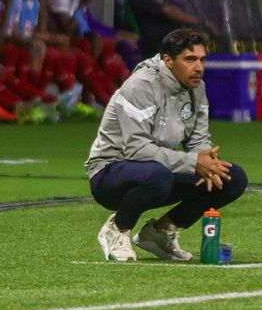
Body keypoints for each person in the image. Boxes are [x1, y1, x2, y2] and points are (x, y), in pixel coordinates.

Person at [85, 28, 248, 262]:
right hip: (110, 172)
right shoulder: (141, 85)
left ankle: (159, 232)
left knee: (230, 178)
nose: (199, 67)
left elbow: (198, 138)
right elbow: (136, 149)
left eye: (202, 60)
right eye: (190, 59)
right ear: (168, 61)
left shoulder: (197, 87)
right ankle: (117, 229)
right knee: (158, 175)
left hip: (156, 170)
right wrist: (193, 162)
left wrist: (207, 161)